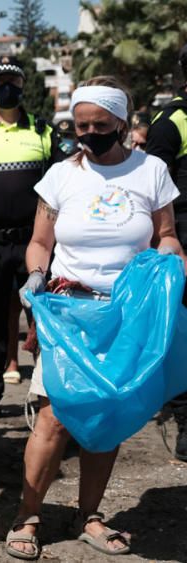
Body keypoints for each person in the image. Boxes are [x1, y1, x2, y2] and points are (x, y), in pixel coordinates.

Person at [6, 78, 185, 560]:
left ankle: (91, 515)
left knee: (106, 417)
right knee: (54, 417)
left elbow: (166, 235)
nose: (88, 135)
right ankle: (27, 516)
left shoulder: (151, 172)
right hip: (69, 311)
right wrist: (36, 275)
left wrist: (173, 262)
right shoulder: (62, 176)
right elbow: (40, 242)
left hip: (126, 315)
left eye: (99, 126)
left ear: (122, 124)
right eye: (81, 126)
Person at [0, 56, 62, 424]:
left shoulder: (44, 133)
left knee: (46, 322)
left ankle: (53, 396)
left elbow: (62, 188)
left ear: (22, 85)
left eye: (13, 81)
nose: (6, 88)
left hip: (34, 243)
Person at [146, 44, 187, 462]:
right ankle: (184, 421)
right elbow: (156, 197)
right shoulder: (170, 123)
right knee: (181, 335)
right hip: (183, 246)